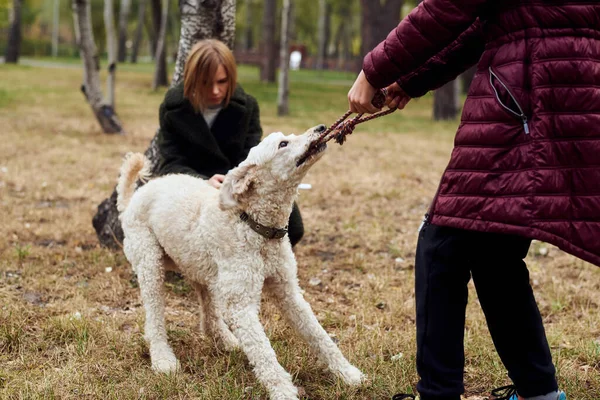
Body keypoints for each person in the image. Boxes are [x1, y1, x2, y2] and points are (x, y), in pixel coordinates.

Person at [348, 1, 600, 400]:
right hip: (565, 79)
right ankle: (541, 394)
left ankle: (438, 393)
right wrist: (413, 78)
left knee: (443, 243)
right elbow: (484, 22)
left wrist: (373, 70)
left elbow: (450, 7)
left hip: (529, 86)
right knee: (493, 247)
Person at [156, 39, 304, 246]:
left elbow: (252, 156)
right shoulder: (173, 109)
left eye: (222, 81)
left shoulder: (247, 106)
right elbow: (170, 163)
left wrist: (236, 181)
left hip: (237, 179)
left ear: (231, 77)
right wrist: (203, 181)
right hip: (194, 186)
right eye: (206, 83)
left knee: (293, 227)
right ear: (193, 79)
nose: (215, 91)